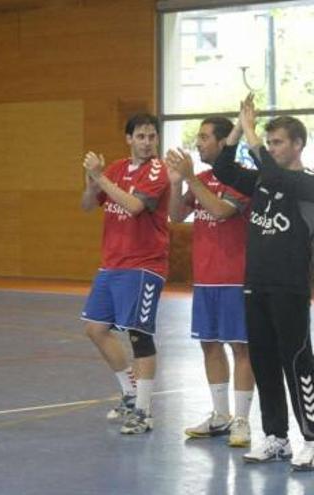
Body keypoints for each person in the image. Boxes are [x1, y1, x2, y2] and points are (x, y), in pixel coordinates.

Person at [212, 94, 314, 470]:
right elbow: (223, 167)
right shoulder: (261, 182)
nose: (271, 147)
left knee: (298, 361)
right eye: (268, 142)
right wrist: (239, 125)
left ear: (298, 144)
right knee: (264, 361)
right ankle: (276, 437)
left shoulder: (307, 185)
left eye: (278, 142)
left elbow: (274, 174)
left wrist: (252, 132)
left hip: (290, 288)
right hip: (256, 285)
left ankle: (312, 436)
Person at [165, 117, 255, 447]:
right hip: (205, 280)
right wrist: (177, 183)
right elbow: (175, 216)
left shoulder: (242, 179)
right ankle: (220, 415)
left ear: (222, 143)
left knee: (241, 347)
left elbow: (219, 211)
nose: (199, 143)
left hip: (236, 279)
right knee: (209, 344)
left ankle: (242, 421)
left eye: (204, 137)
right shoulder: (200, 178)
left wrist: (190, 178)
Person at [80, 114, 169, 435]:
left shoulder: (157, 171)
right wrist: (91, 182)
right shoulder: (116, 168)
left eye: (152, 136)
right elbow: (88, 205)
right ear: (128, 139)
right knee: (95, 328)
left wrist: (101, 178)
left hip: (144, 265)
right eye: (141, 136)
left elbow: (134, 206)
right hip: (112, 264)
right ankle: (130, 393)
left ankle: (144, 412)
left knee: (139, 335)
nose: (147, 142)